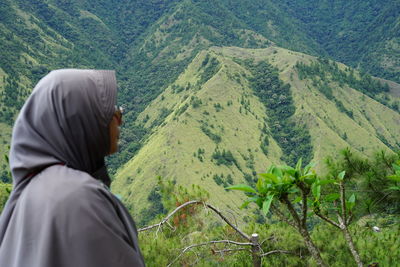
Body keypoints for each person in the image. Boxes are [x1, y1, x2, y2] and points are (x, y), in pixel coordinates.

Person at [0, 69, 145, 266]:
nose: (120, 118)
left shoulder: (28, 196)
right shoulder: (77, 197)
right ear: (81, 120)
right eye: (112, 111)